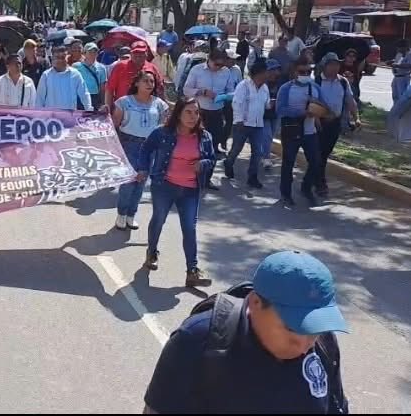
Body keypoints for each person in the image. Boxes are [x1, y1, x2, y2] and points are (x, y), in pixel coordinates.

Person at [144, 251, 349, 414]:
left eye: (314, 330)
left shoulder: (324, 343)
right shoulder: (196, 342)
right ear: (256, 303)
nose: (305, 345)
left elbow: (336, 406)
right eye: (292, 328)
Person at [136, 97, 215, 287]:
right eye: (188, 112)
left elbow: (211, 159)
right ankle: (152, 252)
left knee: (189, 228)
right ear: (178, 113)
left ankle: (192, 271)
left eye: (196, 113)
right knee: (159, 220)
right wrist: (143, 168)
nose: (192, 116)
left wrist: (202, 164)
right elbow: (145, 149)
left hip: (190, 189)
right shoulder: (163, 133)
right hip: (164, 186)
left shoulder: (205, 137)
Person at [112, 71, 169, 231]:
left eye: (152, 81)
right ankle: (121, 214)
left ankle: (131, 215)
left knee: (141, 182)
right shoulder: (124, 102)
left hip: (149, 147)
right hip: (129, 144)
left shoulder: (159, 104)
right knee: (129, 181)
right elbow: (115, 124)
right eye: (146, 81)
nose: (150, 84)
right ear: (137, 83)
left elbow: (162, 125)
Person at [277, 57, 326, 208]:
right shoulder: (286, 89)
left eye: (308, 71)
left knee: (316, 162)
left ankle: (306, 187)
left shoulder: (315, 88)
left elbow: (323, 106)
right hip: (292, 131)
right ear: (294, 72)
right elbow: (280, 109)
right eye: (302, 71)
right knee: (288, 163)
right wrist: (301, 112)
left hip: (310, 132)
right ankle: (286, 193)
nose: (305, 74)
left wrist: (318, 111)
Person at [183, 50, 233, 185]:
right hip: (199, 112)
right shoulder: (197, 70)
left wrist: (224, 96)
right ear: (209, 60)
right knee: (195, 145)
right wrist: (202, 92)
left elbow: (231, 91)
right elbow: (186, 89)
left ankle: (207, 179)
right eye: (216, 64)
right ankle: (190, 176)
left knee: (212, 146)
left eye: (221, 65)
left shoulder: (226, 72)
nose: (218, 67)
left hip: (217, 112)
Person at [315, 53, 361, 198]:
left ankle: (313, 178)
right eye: (332, 64)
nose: (335, 67)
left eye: (337, 64)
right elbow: (311, 102)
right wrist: (318, 117)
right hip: (318, 123)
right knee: (318, 154)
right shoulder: (316, 81)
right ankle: (319, 182)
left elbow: (350, 101)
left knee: (325, 153)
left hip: (335, 123)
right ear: (325, 66)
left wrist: (356, 118)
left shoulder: (343, 82)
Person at [224, 60, 271, 189]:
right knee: (236, 150)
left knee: (257, 152)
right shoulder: (243, 86)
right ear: (260, 73)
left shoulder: (265, 88)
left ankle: (252, 177)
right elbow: (236, 103)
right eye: (266, 72)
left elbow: (266, 105)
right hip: (243, 124)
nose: (268, 74)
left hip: (258, 125)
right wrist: (239, 120)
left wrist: (272, 104)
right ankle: (228, 163)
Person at [107, 41, 166, 109]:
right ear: (131, 54)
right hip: (122, 109)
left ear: (146, 54)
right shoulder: (120, 66)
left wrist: (163, 108)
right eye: (136, 53)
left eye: (141, 54)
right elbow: (109, 89)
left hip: (146, 109)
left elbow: (160, 89)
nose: (138, 57)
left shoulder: (152, 68)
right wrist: (108, 108)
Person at [36, 45, 92, 111]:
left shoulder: (75, 74)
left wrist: (89, 110)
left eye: (62, 57)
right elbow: (40, 98)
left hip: (69, 117)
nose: (60, 60)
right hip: (51, 117)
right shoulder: (46, 75)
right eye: (57, 57)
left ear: (66, 58)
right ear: (53, 58)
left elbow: (84, 94)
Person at [262, 59, 284, 171]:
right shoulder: (261, 83)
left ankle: (263, 153)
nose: (274, 72)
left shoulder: (281, 83)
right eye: (271, 70)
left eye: (276, 70)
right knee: (267, 135)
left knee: (271, 135)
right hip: (263, 114)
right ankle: (266, 157)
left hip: (276, 114)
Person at [74, 42, 108, 110]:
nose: (93, 54)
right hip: (80, 97)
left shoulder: (101, 68)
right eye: (90, 52)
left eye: (95, 52)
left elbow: (102, 88)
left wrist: (103, 103)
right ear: (84, 53)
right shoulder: (76, 66)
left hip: (95, 98)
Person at [387, 39, 411, 103]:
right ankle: (395, 109)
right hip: (396, 76)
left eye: (399, 48)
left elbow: (410, 66)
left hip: (404, 77)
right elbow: (396, 60)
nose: (398, 50)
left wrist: (397, 65)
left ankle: (401, 110)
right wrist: (391, 61)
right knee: (395, 95)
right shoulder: (399, 53)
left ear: (405, 47)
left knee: (402, 95)